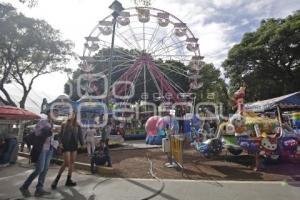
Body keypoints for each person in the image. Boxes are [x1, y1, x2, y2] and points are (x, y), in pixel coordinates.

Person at [19, 109, 57, 197]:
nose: (56, 115)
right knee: (39, 169)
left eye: (57, 114)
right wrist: (49, 131)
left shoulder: (53, 124)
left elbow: (51, 137)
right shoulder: (43, 122)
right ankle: (25, 186)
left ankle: (39, 189)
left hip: (50, 149)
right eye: (54, 113)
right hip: (42, 148)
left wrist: (56, 139)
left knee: (45, 169)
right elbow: (37, 133)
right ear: (49, 114)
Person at [51, 112, 83, 190]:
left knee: (72, 163)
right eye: (70, 114)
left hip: (74, 145)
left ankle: (68, 180)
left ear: (75, 115)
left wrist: (82, 143)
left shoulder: (78, 125)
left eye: (73, 114)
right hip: (66, 145)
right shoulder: (64, 124)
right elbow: (60, 135)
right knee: (66, 162)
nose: (72, 115)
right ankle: (56, 180)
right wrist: (60, 143)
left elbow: (80, 135)